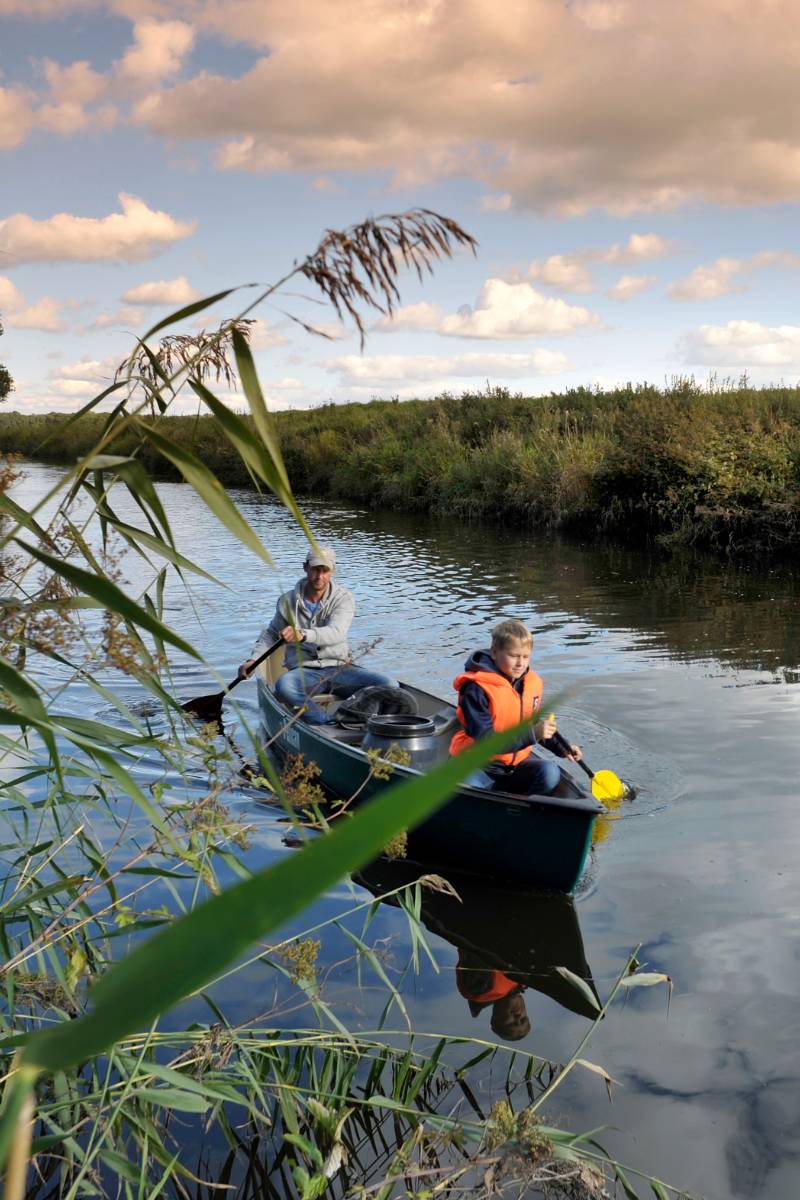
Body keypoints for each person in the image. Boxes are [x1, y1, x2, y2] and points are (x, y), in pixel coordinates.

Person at [238, 546, 397, 724]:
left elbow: (336, 633)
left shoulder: (343, 598)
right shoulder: (287, 601)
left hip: (340, 669)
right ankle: (327, 724)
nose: (319, 576)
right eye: (315, 569)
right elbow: (271, 634)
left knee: (390, 686)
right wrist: (253, 660)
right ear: (305, 567)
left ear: (332, 572)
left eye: (325, 570)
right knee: (285, 686)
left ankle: (353, 717)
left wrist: (303, 635)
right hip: (303, 671)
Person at [449, 617, 581, 796]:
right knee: (467, 789)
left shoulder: (531, 684)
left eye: (525, 657)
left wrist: (563, 748)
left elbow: (532, 724)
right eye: (513, 656)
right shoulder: (476, 689)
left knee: (550, 772)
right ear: (494, 653)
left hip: (513, 767)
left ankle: (526, 810)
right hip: (475, 765)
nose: (520, 663)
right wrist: (533, 734)